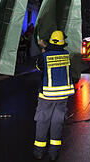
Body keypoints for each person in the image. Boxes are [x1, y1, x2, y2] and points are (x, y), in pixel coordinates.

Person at [32, 30, 77, 161]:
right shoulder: (66, 55)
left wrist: (43, 49)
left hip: (47, 96)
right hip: (63, 96)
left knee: (43, 121)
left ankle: (39, 152)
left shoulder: (45, 56)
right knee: (57, 122)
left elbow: (39, 67)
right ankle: (54, 153)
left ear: (50, 42)